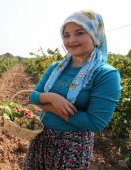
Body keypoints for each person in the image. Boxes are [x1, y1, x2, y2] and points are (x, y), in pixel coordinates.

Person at [23, 10, 121, 169]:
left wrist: (50, 108)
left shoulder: (106, 74)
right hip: (41, 139)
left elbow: (95, 123)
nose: (71, 40)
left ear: (95, 35)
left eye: (79, 33)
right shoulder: (56, 67)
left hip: (72, 148)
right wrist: (53, 98)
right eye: (66, 35)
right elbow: (32, 97)